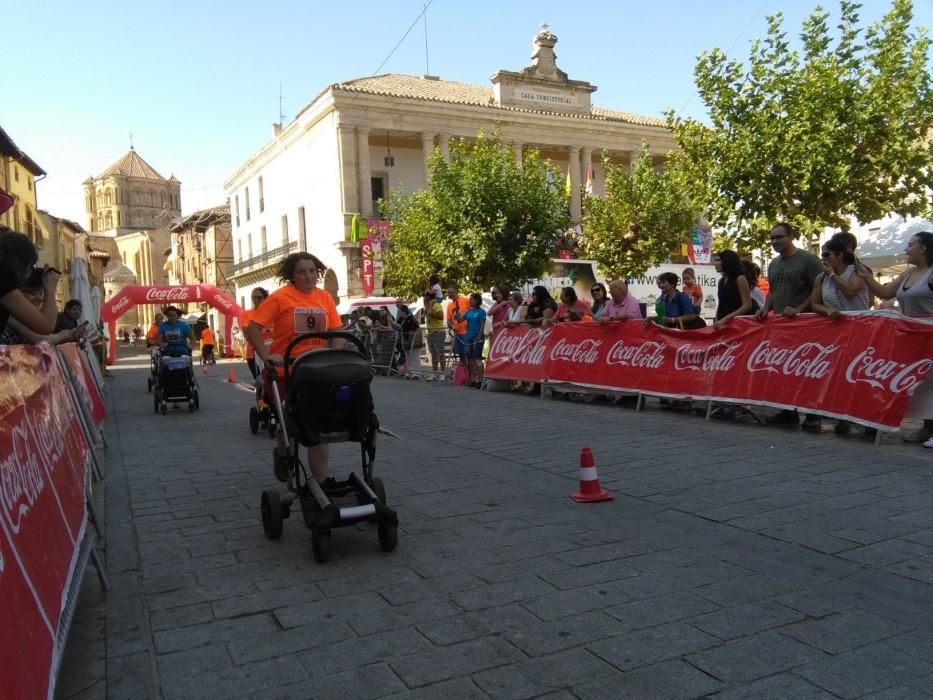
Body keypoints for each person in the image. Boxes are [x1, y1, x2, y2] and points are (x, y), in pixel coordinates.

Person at [245, 252, 343, 485]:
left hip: (316, 371)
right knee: (290, 424)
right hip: (286, 371)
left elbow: (336, 331)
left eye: (312, 271)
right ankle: (283, 455)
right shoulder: (281, 298)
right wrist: (268, 356)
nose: (308, 276)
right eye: (302, 271)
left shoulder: (325, 298)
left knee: (316, 427)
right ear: (292, 275)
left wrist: (335, 354)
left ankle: (318, 484)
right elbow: (252, 328)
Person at [856, 231, 933, 446]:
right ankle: (926, 428)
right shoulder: (908, 274)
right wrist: (866, 277)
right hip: (911, 335)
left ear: (923, 248)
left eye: (910, 245)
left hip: (929, 332)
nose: (906, 249)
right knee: (921, 383)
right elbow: (885, 293)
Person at [756, 222, 824, 430]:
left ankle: (813, 415)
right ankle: (788, 412)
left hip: (806, 324)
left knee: (809, 370)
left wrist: (799, 309)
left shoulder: (809, 260)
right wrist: (766, 308)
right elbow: (773, 291)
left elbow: (819, 288)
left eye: (779, 237)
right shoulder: (774, 264)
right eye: (772, 238)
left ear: (790, 235)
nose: (775, 242)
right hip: (781, 326)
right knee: (784, 370)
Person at [809, 237, 870, 435]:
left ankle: (868, 418)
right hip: (835, 332)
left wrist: (833, 275)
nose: (823, 258)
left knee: (860, 376)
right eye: (822, 255)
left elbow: (851, 291)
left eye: (826, 254)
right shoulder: (821, 277)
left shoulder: (858, 271)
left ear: (840, 255)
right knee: (838, 376)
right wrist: (826, 311)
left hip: (861, 329)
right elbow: (814, 303)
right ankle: (841, 417)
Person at [0, 227, 60, 337]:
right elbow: (46, 326)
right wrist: (50, 288)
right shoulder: (3, 282)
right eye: (31, 266)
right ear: (22, 264)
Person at [0, 268, 82, 345]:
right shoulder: (12, 313)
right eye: (32, 293)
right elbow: (39, 339)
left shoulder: (35, 315)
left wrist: (66, 334)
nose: (39, 298)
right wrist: (65, 335)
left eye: (41, 293)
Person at [452, 292, 487, 388]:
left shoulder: (481, 312)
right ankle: (473, 378)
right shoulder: (468, 311)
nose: (469, 301)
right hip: (468, 338)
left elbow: (482, 326)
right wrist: (456, 311)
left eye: (471, 299)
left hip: (477, 338)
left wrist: (479, 337)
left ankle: (481, 380)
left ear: (477, 300)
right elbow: (460, 320)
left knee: (477, 359)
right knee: (470, 359)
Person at [712, 250, 754, 329]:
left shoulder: (740, 278)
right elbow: (721, 303)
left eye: (718, 260)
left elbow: (747, 305)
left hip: (737, 325)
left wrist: (726, 318)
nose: (715, 263)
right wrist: (717, 319)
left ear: (728, 261)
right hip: (722, 325)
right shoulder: (721, 281)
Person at [241, 288, 272, 378]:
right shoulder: (247, 314)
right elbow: (248, 334)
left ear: (266, 298)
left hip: (273, 353)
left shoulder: (272, 312)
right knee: (261, 382)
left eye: (259, 297)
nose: (255, 300)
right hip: (253, 355)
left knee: (273, 383)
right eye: (253, 298)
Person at [422, 290, 446, 382]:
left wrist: (431, 308)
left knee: (440, 354)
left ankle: (443, 373)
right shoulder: (427, 306)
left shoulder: (436, 305)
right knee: (433, 354)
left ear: (429, 297)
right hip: (431, 332)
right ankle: (435, 372)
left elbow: (441, 316)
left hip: (438, 332)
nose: (424, 298)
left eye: (425, 296)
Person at [446, 285, 470, 369]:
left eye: (451, 292)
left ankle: (471, 375)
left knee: (468, 354)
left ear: (457, 292)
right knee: (461, 355)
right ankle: (464, 374)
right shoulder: (449, 305)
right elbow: (448, 320)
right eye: (448, 293)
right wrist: (452, 326)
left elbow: (474, 312)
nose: (449, 294)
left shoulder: (465, 300)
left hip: (466, 332)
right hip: (457, 334)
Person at [398, 304, 422, 379]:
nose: (399, 314)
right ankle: (410, 371)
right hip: (406, 340)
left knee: (415, 356)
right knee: (408, 356)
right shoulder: (402, 320)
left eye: (400, 312)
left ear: (404, 312)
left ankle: (416, 373)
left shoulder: (410, 318)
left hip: (413, 340)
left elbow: (416, 327)